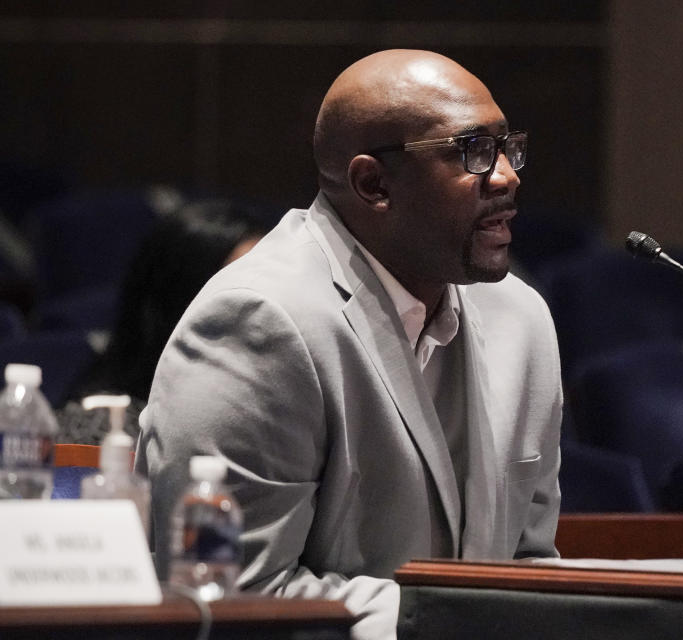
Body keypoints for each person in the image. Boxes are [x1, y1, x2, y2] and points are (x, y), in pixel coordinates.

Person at [135, 49, 563, 639]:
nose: (508, 176)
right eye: (472, 152)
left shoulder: (522, 318)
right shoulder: (260, 320)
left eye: (507, 147)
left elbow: (528, 564)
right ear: (373, 183)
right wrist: (463, 622)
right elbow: (235, 594)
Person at [56, 198, 273, 444]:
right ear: (177, 301)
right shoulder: (105, 426)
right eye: (237, 294)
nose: (264, 311)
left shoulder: (272, 407)